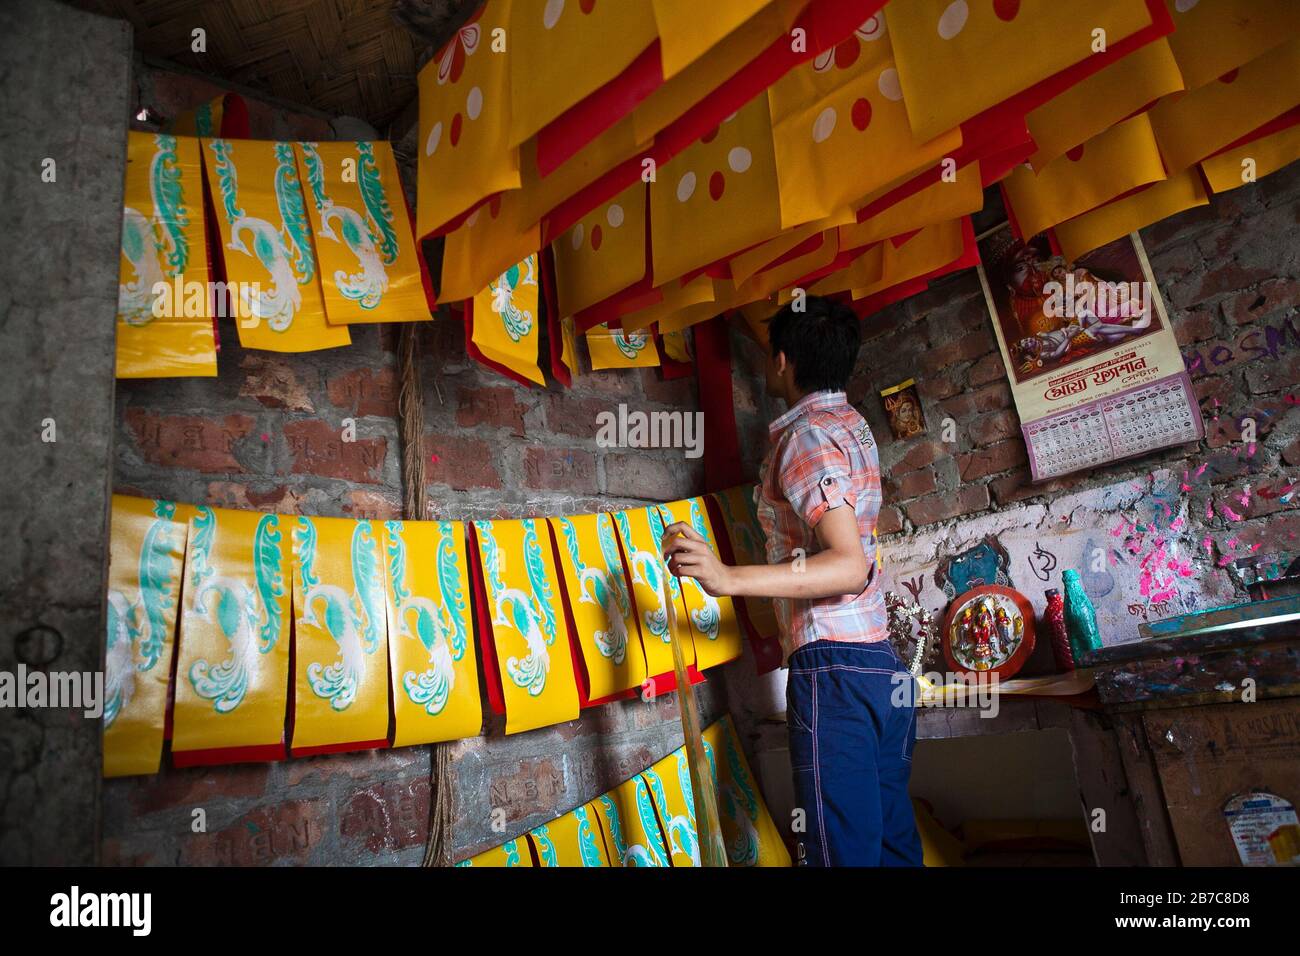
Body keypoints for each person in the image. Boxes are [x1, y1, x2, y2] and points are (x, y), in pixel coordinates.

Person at [661, 295, 922, 867]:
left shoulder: (805, 438)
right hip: (878, 664)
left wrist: (727, 577)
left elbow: (849, 565)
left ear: (780, 362)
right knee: (889, 846)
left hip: (835, 669)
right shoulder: (851, 426)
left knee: (838, 854)